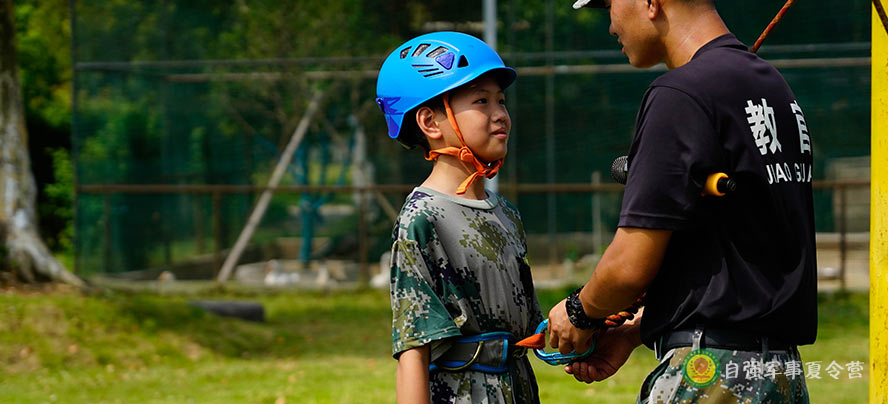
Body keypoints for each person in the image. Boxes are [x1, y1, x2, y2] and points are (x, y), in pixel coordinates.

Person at [547, 0, 817, 402]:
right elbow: (747, 265)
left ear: (651, 3)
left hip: (709, 375)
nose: (610, 25)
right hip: (779, 375)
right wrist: (637, 331)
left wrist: (578, 312)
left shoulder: (679, 93)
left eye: (610, 6)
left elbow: (629, 266)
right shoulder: (772, 86)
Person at [376, 31, 544, 404]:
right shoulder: (422, 219)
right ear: (430, 123)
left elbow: (527, 328)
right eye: (481, 101)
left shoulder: (507, 215)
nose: (500, 113)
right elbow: (413, 350)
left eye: (501, 100)